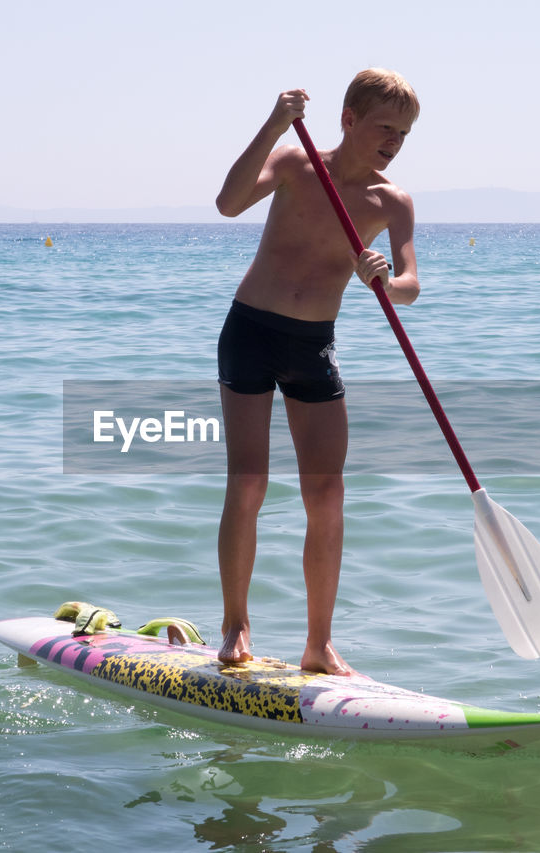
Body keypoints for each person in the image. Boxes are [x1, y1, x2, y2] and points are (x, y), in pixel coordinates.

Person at [213, 69, 421, 675]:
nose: (395, 141)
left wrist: (386, 278)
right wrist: (275, 124)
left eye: (404, 133)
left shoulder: (391, 201)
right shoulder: (295, 163)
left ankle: (318, 643)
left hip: (314, 345)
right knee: (249, 484)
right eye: (385, 127)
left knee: (326, 495)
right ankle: (235, 624)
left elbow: (411, 286)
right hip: (251, 330)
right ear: (349, 120)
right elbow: (228, 204)